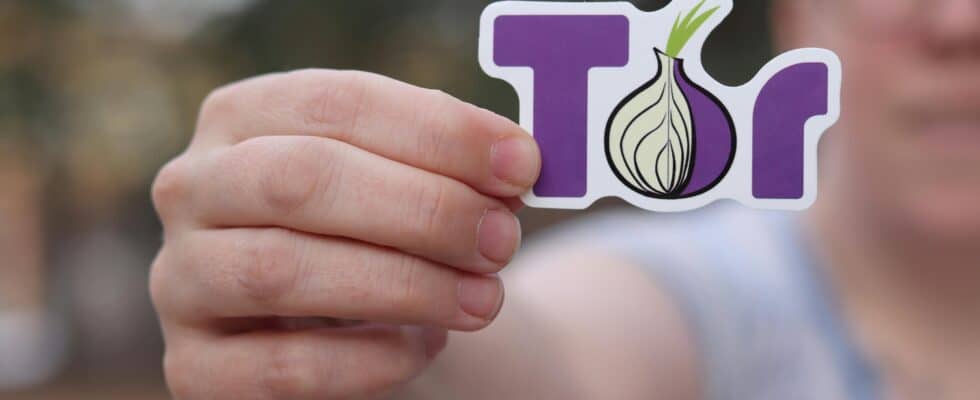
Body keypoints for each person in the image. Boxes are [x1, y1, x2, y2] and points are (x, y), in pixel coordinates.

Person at [148, 0, 980, 399]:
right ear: (803, 19)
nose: (961, 22)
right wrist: (372, 318)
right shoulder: (710, 293)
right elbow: (562, 354)